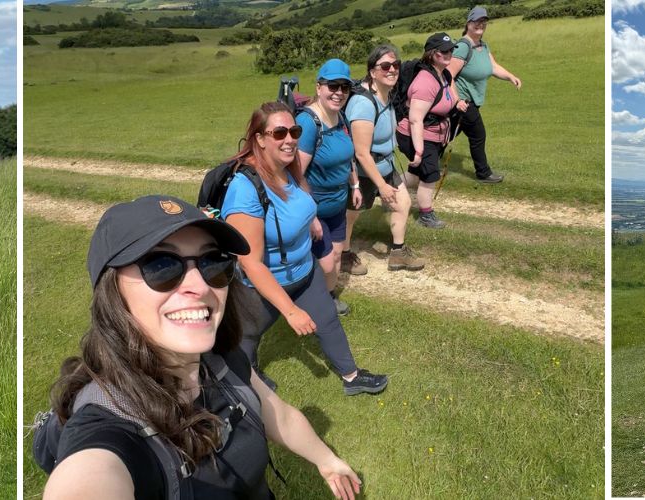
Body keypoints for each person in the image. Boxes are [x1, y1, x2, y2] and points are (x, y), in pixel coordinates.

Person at [43, 195, 362, 500]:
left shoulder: (220, 360)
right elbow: (89, 478)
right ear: (111, 291)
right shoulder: (106, 431)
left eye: (213, 262)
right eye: (161, 266)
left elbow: (276, 413)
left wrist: (326, 459)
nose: (200, 285)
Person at [219, 101, 388, 396]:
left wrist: (311, 220)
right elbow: (251, 263)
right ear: (260, 139)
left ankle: (352, 377)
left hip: (304, 272)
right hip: (262, 286)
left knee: (328, 320)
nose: (290, 139)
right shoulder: (244, 189)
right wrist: (291, 311)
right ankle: (247, 382)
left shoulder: (288, 166)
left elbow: (299, 195)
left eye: (294, 131)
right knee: (246, 337)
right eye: (280, 133)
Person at [344, 44, 425, 274]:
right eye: (385, 66)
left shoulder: (386, 95)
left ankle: (398, 254)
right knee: (351, 214)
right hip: (363, 170)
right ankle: (344, 255)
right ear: (372, 71)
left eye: (395, 65)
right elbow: (360, 152)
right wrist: (381, 185)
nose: (392, 70)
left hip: (385, 164)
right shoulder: (363, 104)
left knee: (404, 203)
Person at [297, 58, 359, 316]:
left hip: (337, 205)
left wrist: (355, 185)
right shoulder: (309, 123)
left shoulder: (340, 116)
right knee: (323, 263)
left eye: (345, 87)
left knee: (334, 259)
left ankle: (327, 298)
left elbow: (348, 156)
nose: (339, 93)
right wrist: (310, 215)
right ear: (319, 87)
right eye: (333, 86)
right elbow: (296, 175)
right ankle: (309, 302)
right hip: (315, 209)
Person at [398, 32, 469, 230]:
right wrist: (419, 151)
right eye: (444, 51)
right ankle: (426, 214)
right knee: (430, 175)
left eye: (451, 50)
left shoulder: (443, 74)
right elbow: (415, 119)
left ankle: (386, 189)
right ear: (433, 54)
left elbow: (449, 96)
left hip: (433, 134)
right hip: (416, 135)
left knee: (415, 175)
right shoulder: (424, 81)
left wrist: (458, 103)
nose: (449, 54)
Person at [445, 5, 523, 184]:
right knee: (478, 134)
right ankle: (483, 173)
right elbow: (448, 75)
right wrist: (457, 100)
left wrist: (510, 76)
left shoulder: (482, 45)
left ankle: (425, 159)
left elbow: (493, 67)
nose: (480, 24)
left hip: (471, 101)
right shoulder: (463, 46)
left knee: (446, 135)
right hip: (464, 101)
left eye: (484, 21)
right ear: (468, 22)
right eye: (477, 21)